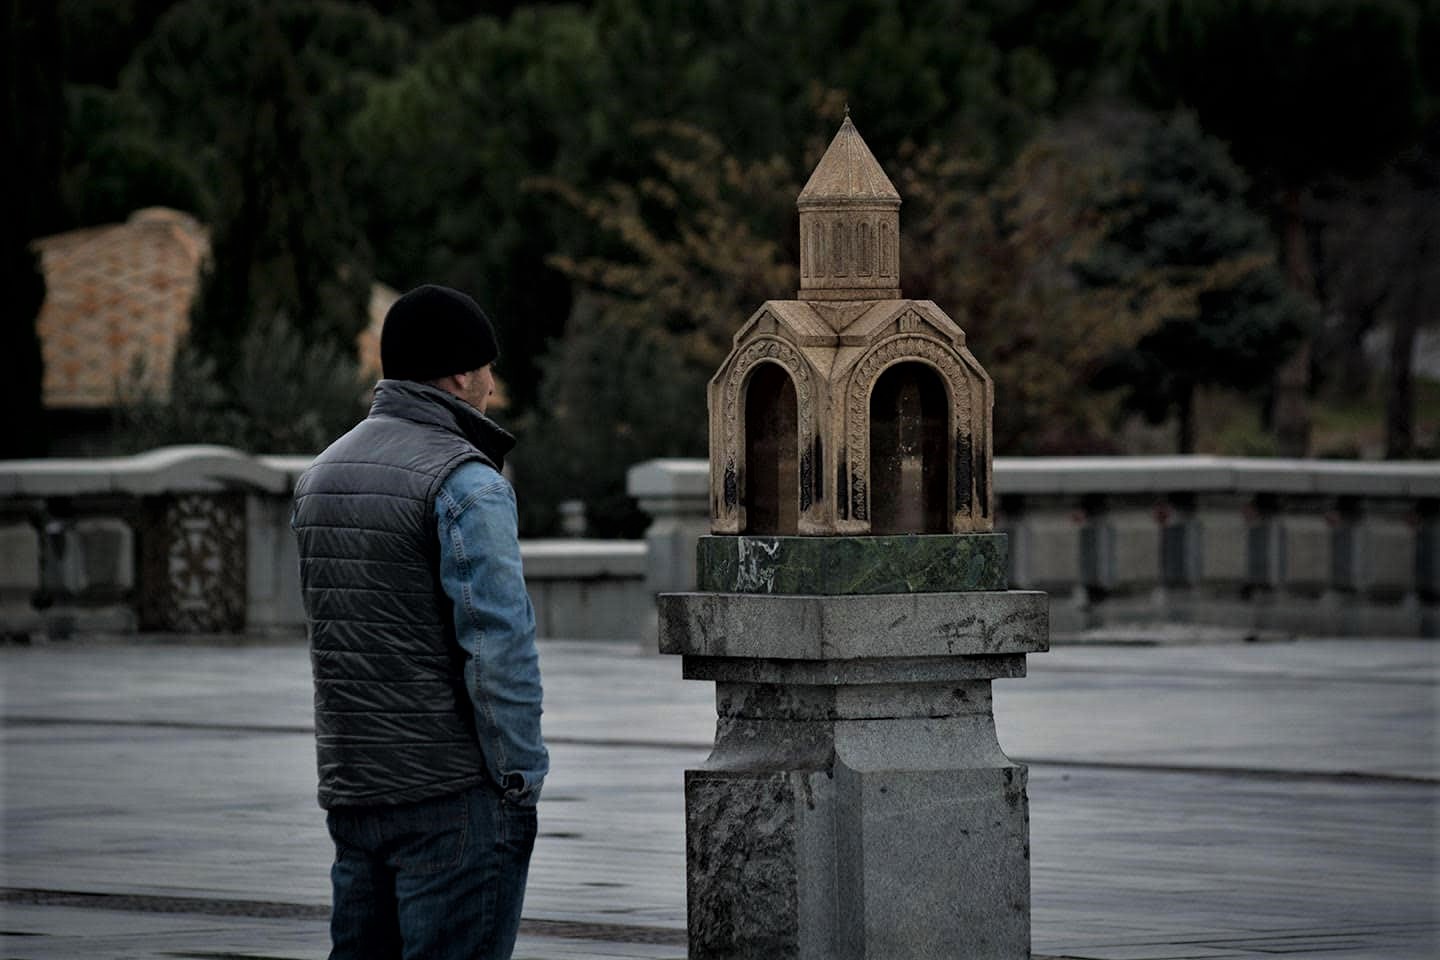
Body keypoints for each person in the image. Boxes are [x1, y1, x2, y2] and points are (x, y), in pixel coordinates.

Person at [291, 284, 548, 960]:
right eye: (489, 370)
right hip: (452, 797)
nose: (493, 387)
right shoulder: (468, 484)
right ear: (462, 374)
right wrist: (519, 778)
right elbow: (499, 650)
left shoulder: (320, 477)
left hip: (355, 791)